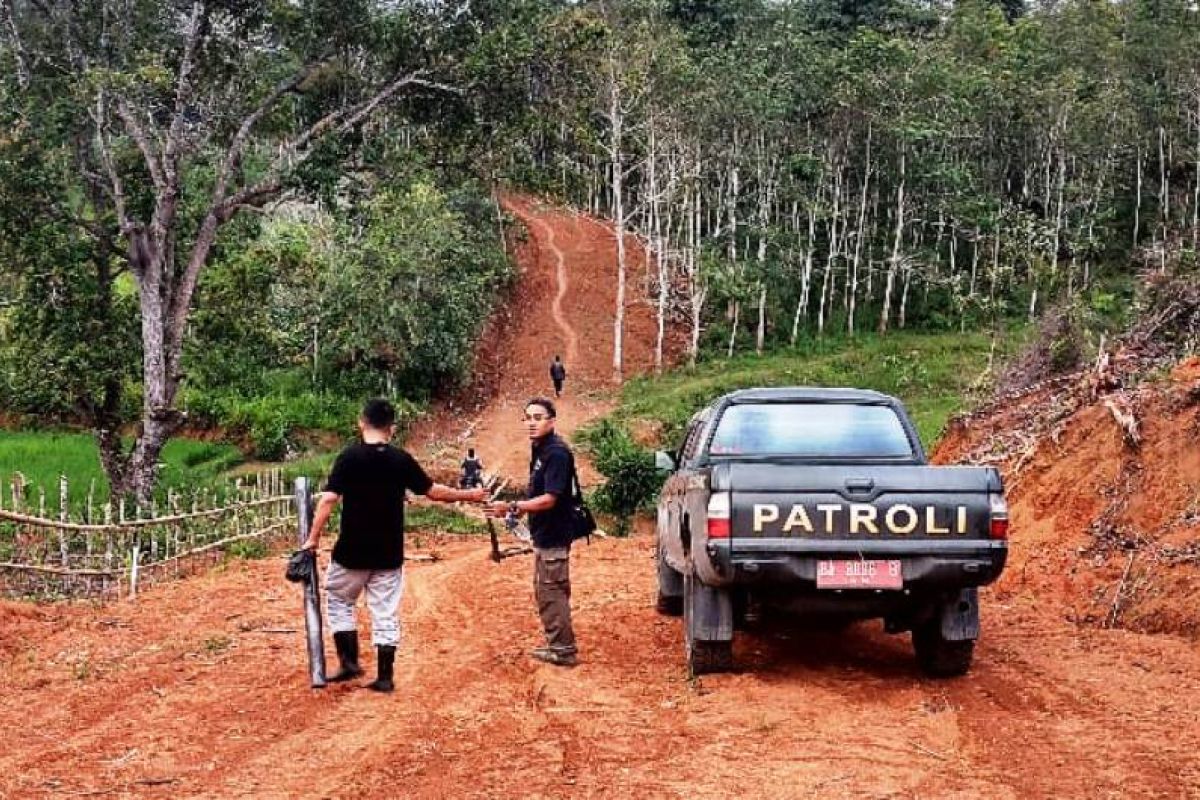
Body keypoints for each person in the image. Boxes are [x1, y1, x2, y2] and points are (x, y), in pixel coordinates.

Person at [302, 398, 487, 692]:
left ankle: (349, 663)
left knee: (339, 601)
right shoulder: (401, 459)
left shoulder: (349, 457)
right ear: (392, 428)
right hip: (389, 553)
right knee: (385, 611)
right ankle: (385, 676)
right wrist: (470, 496)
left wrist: (312, 539)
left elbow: (328, 499)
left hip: (351, 551)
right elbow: (434, 492)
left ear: (361, 422)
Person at [486, 397, 578, 667]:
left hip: (554, 534)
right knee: (546, 591)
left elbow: (550, 498)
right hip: (543, 534)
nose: (532, 423)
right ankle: (558, 645)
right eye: (528, 417)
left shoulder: (556, 453)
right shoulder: (541, 450)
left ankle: (563, 650)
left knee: (552, 592)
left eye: (538, 417)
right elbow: (538, 493)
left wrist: (513, 506)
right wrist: (518, 512)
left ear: (552, 421)